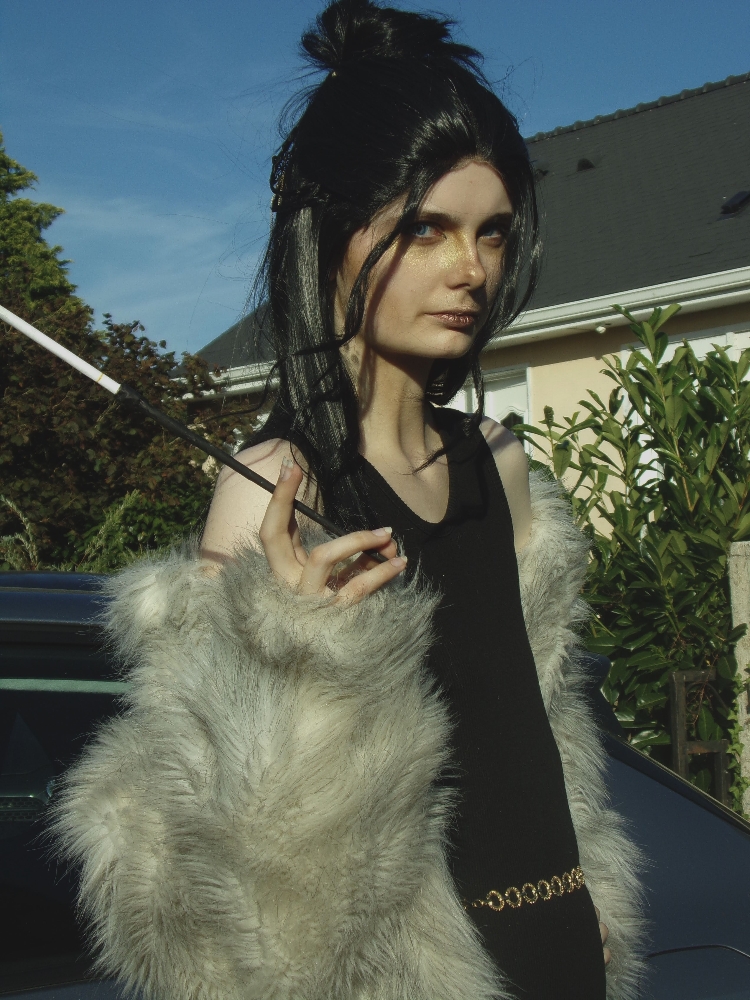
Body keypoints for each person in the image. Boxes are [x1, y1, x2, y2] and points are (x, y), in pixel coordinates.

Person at [54, 2, 645, 998]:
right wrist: (291, 657)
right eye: (424, 229)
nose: (471, 269)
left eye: (492, 233)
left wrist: (586, 900)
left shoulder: (499, 462)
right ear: (328, 236)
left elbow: (537, 735)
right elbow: (204, 903)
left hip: (563, 949)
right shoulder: (272, 492)